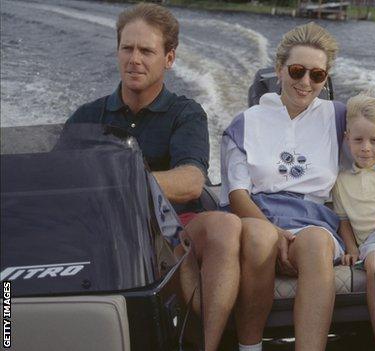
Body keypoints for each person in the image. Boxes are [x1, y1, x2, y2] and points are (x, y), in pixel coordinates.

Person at [65, 4, 275, 351]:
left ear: (169, 58)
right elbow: (57, 181)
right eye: (127, 48)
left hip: (175, 224)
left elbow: (192, 181)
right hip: (107, 228)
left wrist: (115, 180)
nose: (135, 59)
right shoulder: (86, 117)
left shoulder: (185, 113)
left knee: (225, 226)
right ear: (117, 51)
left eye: (147, 50)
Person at [220, 22, 345, 351]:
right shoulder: (246, 122)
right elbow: (236, 194)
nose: (305, 82)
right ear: (279, 70)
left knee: (318, 243)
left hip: (312, 219)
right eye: (297, 71)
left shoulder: (338, 117)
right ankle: (250, 348)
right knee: (260, 240)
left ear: (325, 79)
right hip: (258, 214)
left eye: (317, 75)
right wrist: (274, 232)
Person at [331, 93, 375, 344]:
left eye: (374, 140)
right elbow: (344, 221)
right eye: (358, 140)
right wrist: (350, 248)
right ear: (346, 139)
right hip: (371, 243)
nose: (365, 147)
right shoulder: (341, 180)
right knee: (372, 264)